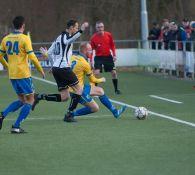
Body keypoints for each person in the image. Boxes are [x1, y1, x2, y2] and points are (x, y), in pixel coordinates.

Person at [32, 19, 89, 122]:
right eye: (76, 27)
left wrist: (53, 65)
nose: (76, 29)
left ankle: (40, 96)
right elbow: (68, 41)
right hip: (63, 68)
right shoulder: (65, 37)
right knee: (79, 89)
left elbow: (49, 53)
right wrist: (81, 30)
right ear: (71, 28)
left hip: (57, 69)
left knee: (65, 97)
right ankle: (69, 114)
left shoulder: (58, 37)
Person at [0, 16, 45, 133]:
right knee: (30, 99)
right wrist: (40, 69)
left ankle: (2, 115)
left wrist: (7, 66)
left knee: (21, 100)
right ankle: (16, 126)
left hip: (13, 74)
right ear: (23, 26)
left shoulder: (6, 39)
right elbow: (32, 57)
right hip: (23, 75)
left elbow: (0, 56)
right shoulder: (24, 38)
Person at [64, 42, 127, 121]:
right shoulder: (84, 63)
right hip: (77, 91)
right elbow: (93, 80)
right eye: (90, 50)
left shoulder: (72, 57)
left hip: (77, 87)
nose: (91, 52)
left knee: (100, 91)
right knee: (95, 108)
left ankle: (115, 112)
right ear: (84, 50)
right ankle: (70, 114)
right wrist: (102, 79)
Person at [90, 21, 121, 94]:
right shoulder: (93, 38)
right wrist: (91, 61)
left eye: (101, 27)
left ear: (103, 27)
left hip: (108, 57)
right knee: (96, 73)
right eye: (98, 27)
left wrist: (114, 55)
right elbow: (91, 50)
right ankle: (94, 91)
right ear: (96, 28)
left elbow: (112, 45)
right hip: (98, 57)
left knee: (114, 73)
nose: (100, 28)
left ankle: (116, 90)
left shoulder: (108, 35)